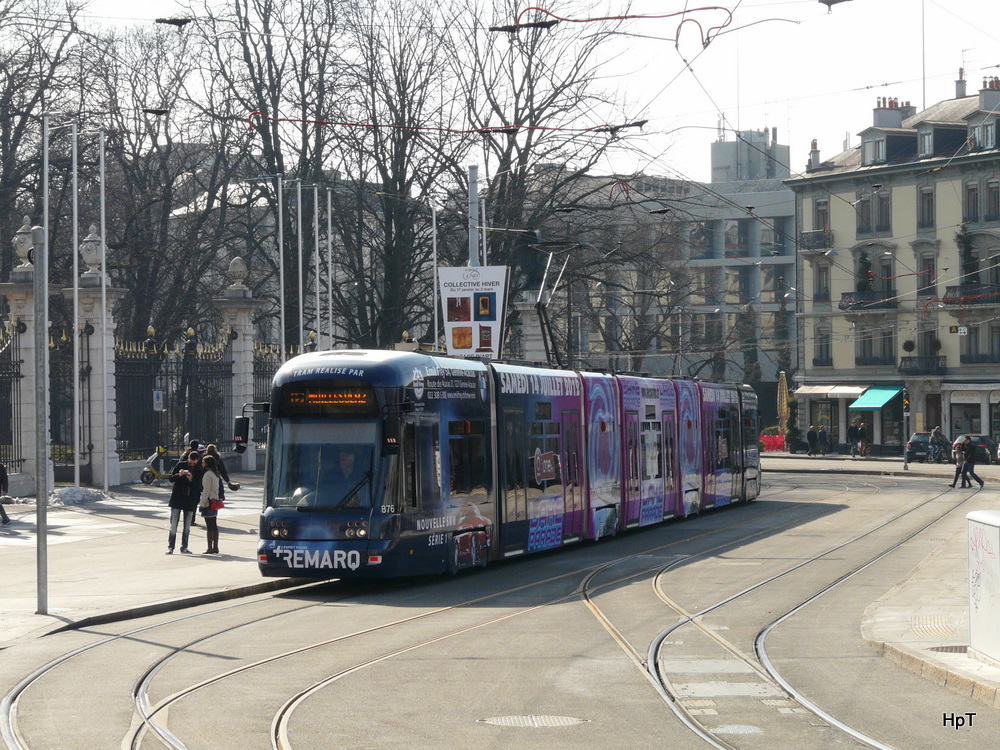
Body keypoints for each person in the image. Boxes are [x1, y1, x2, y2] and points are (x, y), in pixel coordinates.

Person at [166, 450, 204, 554]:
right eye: (191, 462)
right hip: (177, 498)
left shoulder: (199, 470)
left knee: (187, 527)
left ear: (197, 461)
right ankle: (170, 547)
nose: (192, 464)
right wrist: (179, 474)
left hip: (190, 500)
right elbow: (170, 478)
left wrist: (191, 479)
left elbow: (200, 487)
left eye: (194, 463)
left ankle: (184, 547)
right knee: (173, 525)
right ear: (188, 459)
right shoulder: (180, 465)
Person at [199, 455, 223, 554]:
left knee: (209, 526)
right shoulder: (215, 474)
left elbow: (206, 490)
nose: (202, 463)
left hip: (208, 502)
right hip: (215, 501)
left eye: (203, 462)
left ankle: (210, 548)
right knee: (214, 525)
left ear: (207, 463)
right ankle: (215, 547)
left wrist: (202, 503)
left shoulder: (208, 475)